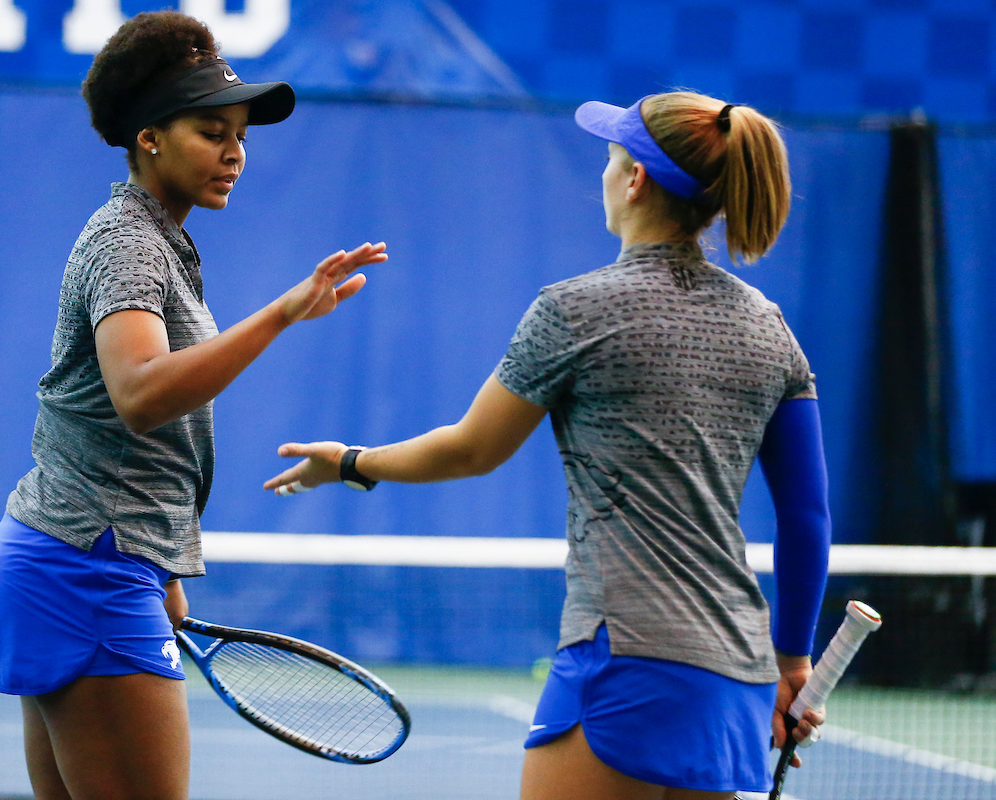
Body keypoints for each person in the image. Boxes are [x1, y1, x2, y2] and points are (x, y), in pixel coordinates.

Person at [264, 92, 832, 800]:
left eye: (610, 157)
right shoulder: (769, 328)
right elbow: (807, 517)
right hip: (736, 675)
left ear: (635, 180)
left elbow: (473, 448)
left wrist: (348, 462)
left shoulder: (574, 309)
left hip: (624, 656)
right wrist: (793, 658)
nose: (604, 172)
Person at [0, 12, 386, 800]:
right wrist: (281, 313)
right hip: (84, 572)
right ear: (148, 136)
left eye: (240, 135)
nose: (234, 151)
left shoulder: (160, 239)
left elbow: (118, 430)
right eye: (210, 130)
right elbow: (141, 395)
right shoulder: (128, 241)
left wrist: (162, 566)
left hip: (84, 558)